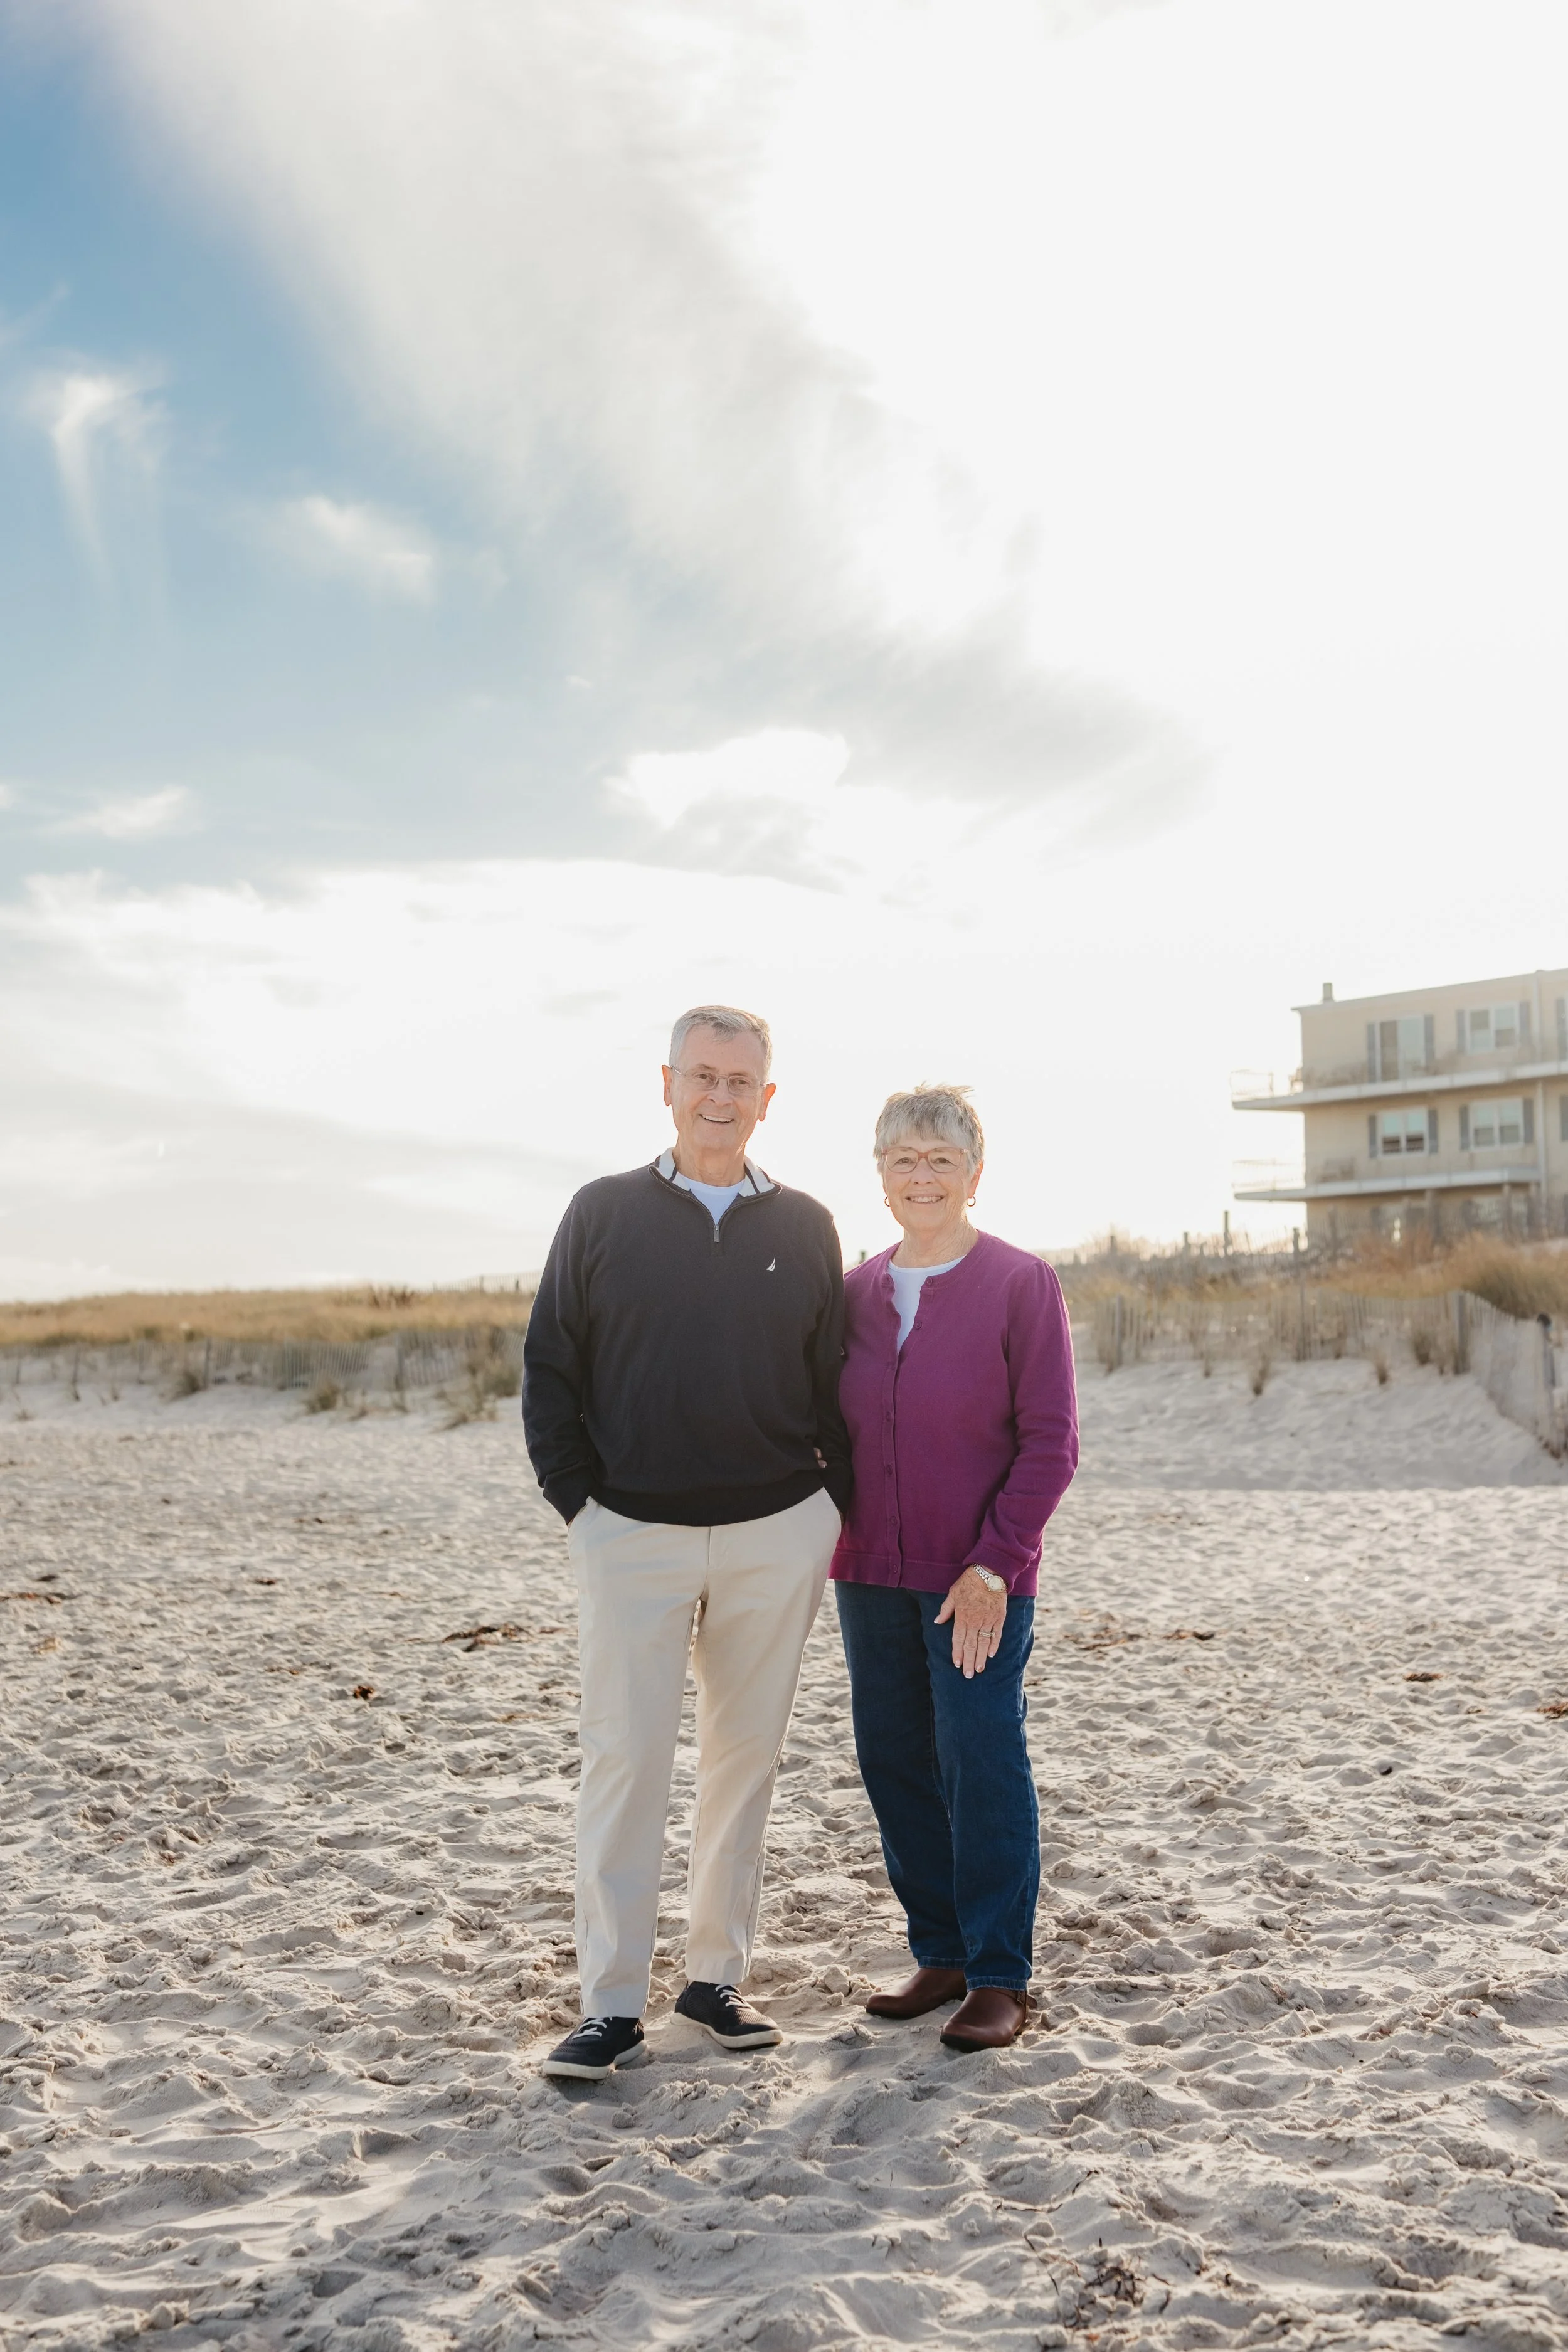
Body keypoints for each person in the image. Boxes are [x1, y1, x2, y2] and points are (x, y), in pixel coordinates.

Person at [522, 1005, 851, 2082]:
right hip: (632, 1533)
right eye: (702, 1075)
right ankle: (611, 2005)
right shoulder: (603, 1211)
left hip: (775, 1530)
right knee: (625, 1761)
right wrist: (585, 1506)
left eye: (740, 1080)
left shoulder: (805, 1223)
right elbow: (551, 1366)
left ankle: (715, 1981)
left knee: (742, 1761)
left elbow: (834, 1381)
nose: (720, 1096)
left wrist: (826, 1511)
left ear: (769, 1097)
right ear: (667, 1084)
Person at [832, 1084, 1078, 2052]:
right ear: (881, 1176)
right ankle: (938, 1950)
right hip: (868, 1574)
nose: (922, 1174)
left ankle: (999, 1973)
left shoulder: (1022, 1283)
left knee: (981, 1758)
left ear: (976, 1172)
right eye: (904, 1159)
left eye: (940, 1157)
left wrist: (995, 1563)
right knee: (893, 1758)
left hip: (978, 1577)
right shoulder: (852, 1293)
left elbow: (1050, 1442)